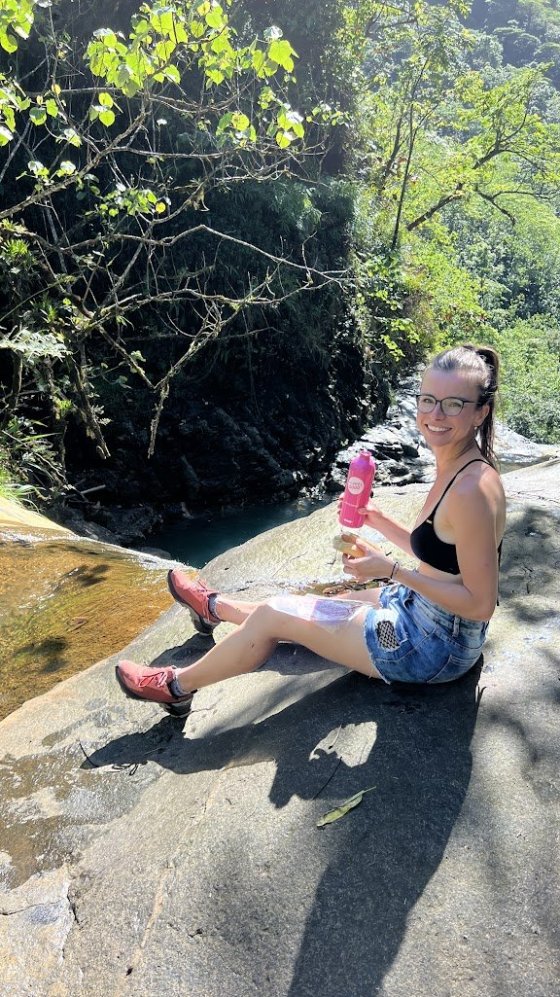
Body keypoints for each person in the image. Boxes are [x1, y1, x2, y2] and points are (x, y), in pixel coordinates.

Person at [115, 344, 506, 712]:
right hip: (420, 613)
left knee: (275, 613)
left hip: (427, 647)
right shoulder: (460, 464)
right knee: (317, 603)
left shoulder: (470, 488)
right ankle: (215, 609)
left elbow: (479, 602)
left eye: (454, 404)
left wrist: (390, 571)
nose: (435, 415)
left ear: (479, 413)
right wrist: (378, 520)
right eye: (428, 400)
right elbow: (444, 556)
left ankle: (176, 687)